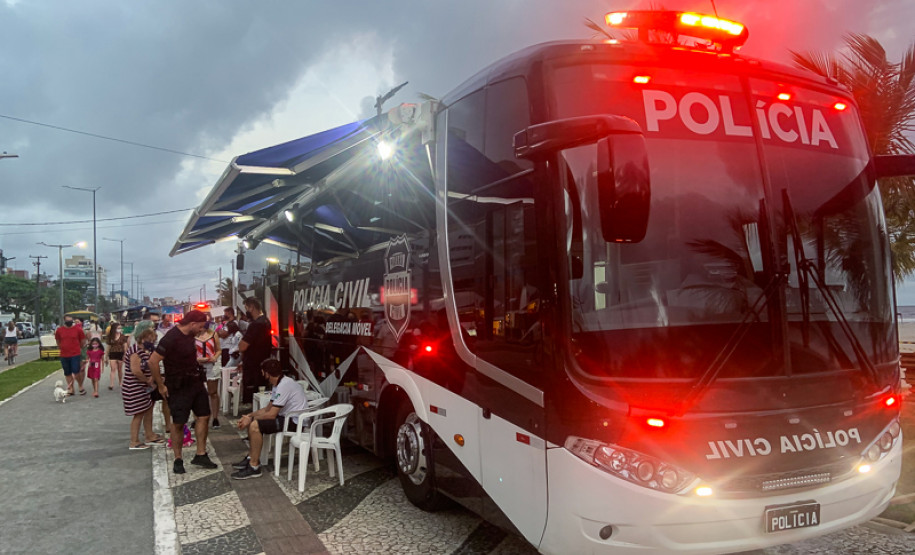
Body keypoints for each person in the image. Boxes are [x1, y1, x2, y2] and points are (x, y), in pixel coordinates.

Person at [149, 310, 218, 474]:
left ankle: (201, 454)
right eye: (200, 326)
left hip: (195, 381)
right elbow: (153, 361)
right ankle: (178, 458)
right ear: (192, 324)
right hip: (178, 385)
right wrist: (160, 385)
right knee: (179, 422)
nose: (201, 330)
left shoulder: (189, 336)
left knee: (204, 415)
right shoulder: (171, 338)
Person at [231, 359, 309, 479]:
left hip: (294, 422)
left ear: (265, 373)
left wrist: (250, 420)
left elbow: (271, 414)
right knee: (253, 422)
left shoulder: (284, 385)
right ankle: (251, 457)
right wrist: (249, 416)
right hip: (285, 417)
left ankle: (254, 467)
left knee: (255, 425)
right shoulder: (278, 384)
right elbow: (267, 409)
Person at [122, 321, 166, 450]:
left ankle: (149, 435)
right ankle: (134, 441)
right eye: (149, 339)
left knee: (147, 410)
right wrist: (147, 380)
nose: (151, 342)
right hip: (134, 387)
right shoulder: (135, 351)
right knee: (139, 413)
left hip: (142, 387)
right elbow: (136, 370)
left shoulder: (144, 350)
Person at [238, 297, 272, 404]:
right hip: (263, 362)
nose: (246, 311)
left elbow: (242, 346)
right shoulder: (266, 321)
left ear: (251, 307)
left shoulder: (255, 325)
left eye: (246, 308)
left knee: (252, 393)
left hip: (252, 365)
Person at [195, 321, 222, 430]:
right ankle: (196, 417)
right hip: (198, 365)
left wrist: (215, 357)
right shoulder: (193, 336)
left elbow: (219, 350)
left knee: (213, 392)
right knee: (196, 393)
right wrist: (197, 359)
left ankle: (215, 417)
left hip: (211, 365)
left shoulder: (213, 334)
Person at [55, 315, 87, 395]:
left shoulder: (78, 330)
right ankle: (71, 388)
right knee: (67, 372)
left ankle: (80, 386)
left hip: (75, 353)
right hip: (64, 354)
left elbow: (82, 341)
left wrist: (78, 347)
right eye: (67, 320)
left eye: (70, 320)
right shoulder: (59, 330)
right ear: (64, 321)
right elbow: (58, 341)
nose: (69, 322)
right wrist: (62, 347)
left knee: (76, 371)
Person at [105, 322, 128, 389]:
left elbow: (125, 346)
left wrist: (125, 354)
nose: (119, 329)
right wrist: (106, 356)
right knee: (113, 369)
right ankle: (111, 384)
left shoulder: (123, 337)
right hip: (112, 353)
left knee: (120, 369)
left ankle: (120, 382)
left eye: (120, 328)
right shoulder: (110, 337)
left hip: (120, 353)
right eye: (118, 328)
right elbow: (108, 347)